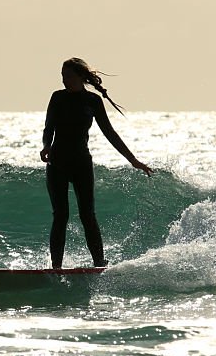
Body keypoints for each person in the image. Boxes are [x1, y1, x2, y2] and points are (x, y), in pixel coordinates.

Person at [39, 57, 153, 269]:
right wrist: (46, 145)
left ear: (81, 77)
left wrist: (133, 160)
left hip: (81, 163)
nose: (64, 80)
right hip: (57, 164)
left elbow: (110, 133)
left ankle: (99, 263)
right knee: (61, 215)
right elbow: (49, 128)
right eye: (62, 76)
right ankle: (56, 267)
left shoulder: (92, 101)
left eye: (68, 76)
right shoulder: (57, 98)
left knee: (87, 215)